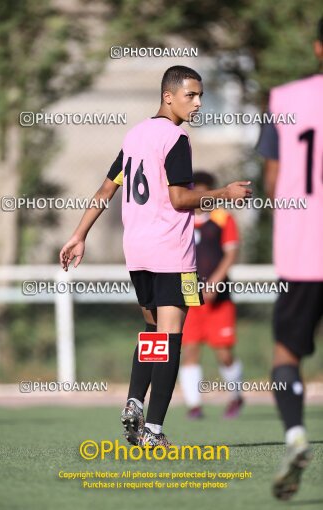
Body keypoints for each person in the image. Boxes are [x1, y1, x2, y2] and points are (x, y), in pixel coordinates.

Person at [60, 65, 252, 448]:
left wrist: (79, 234)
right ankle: (155, 430)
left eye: (200, 95)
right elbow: (180, 198)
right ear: (169, 96)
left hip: (137, 253)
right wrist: (224, 195)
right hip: (172, 253)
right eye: (191, 95)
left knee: (153, 333)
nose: (198, 103)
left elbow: (104, 190)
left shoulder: (134, 137)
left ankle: (135, 400)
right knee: (172, 338)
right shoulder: (176, 138)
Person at [256, 18, 323, 500]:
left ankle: (296, 435)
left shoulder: (284, 100)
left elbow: (274, 184)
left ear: (319, 48)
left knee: (285, 354)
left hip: (302, 254)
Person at [179, 171, 244, 420]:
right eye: (196, 192)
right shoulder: (180, 219)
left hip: (220, 297)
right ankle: (194, 406)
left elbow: (231, 253)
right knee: (191, 350)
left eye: (206, 192)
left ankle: (236, 396)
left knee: (224, 353)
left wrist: (215, 282)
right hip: (189, 294)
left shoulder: (222, 219)